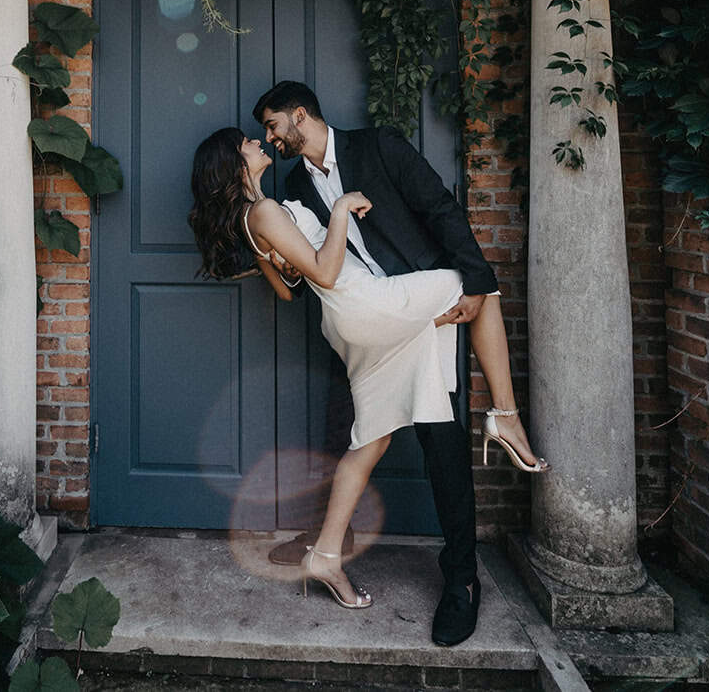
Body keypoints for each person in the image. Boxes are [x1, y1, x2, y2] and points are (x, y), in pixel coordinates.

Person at [188, 83, 545, 645]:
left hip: (407, 317)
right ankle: (504, 416)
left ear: (300, 114)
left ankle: (399, 569)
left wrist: (278, 257)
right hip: (379, 313)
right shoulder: (287, 191)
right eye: (260, 136)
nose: (269, 138)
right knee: (481, 290)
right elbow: (315, 273)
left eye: (274, 126)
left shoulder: (378, 146)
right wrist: (327, 224)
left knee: (388, 442)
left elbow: (439, 209)